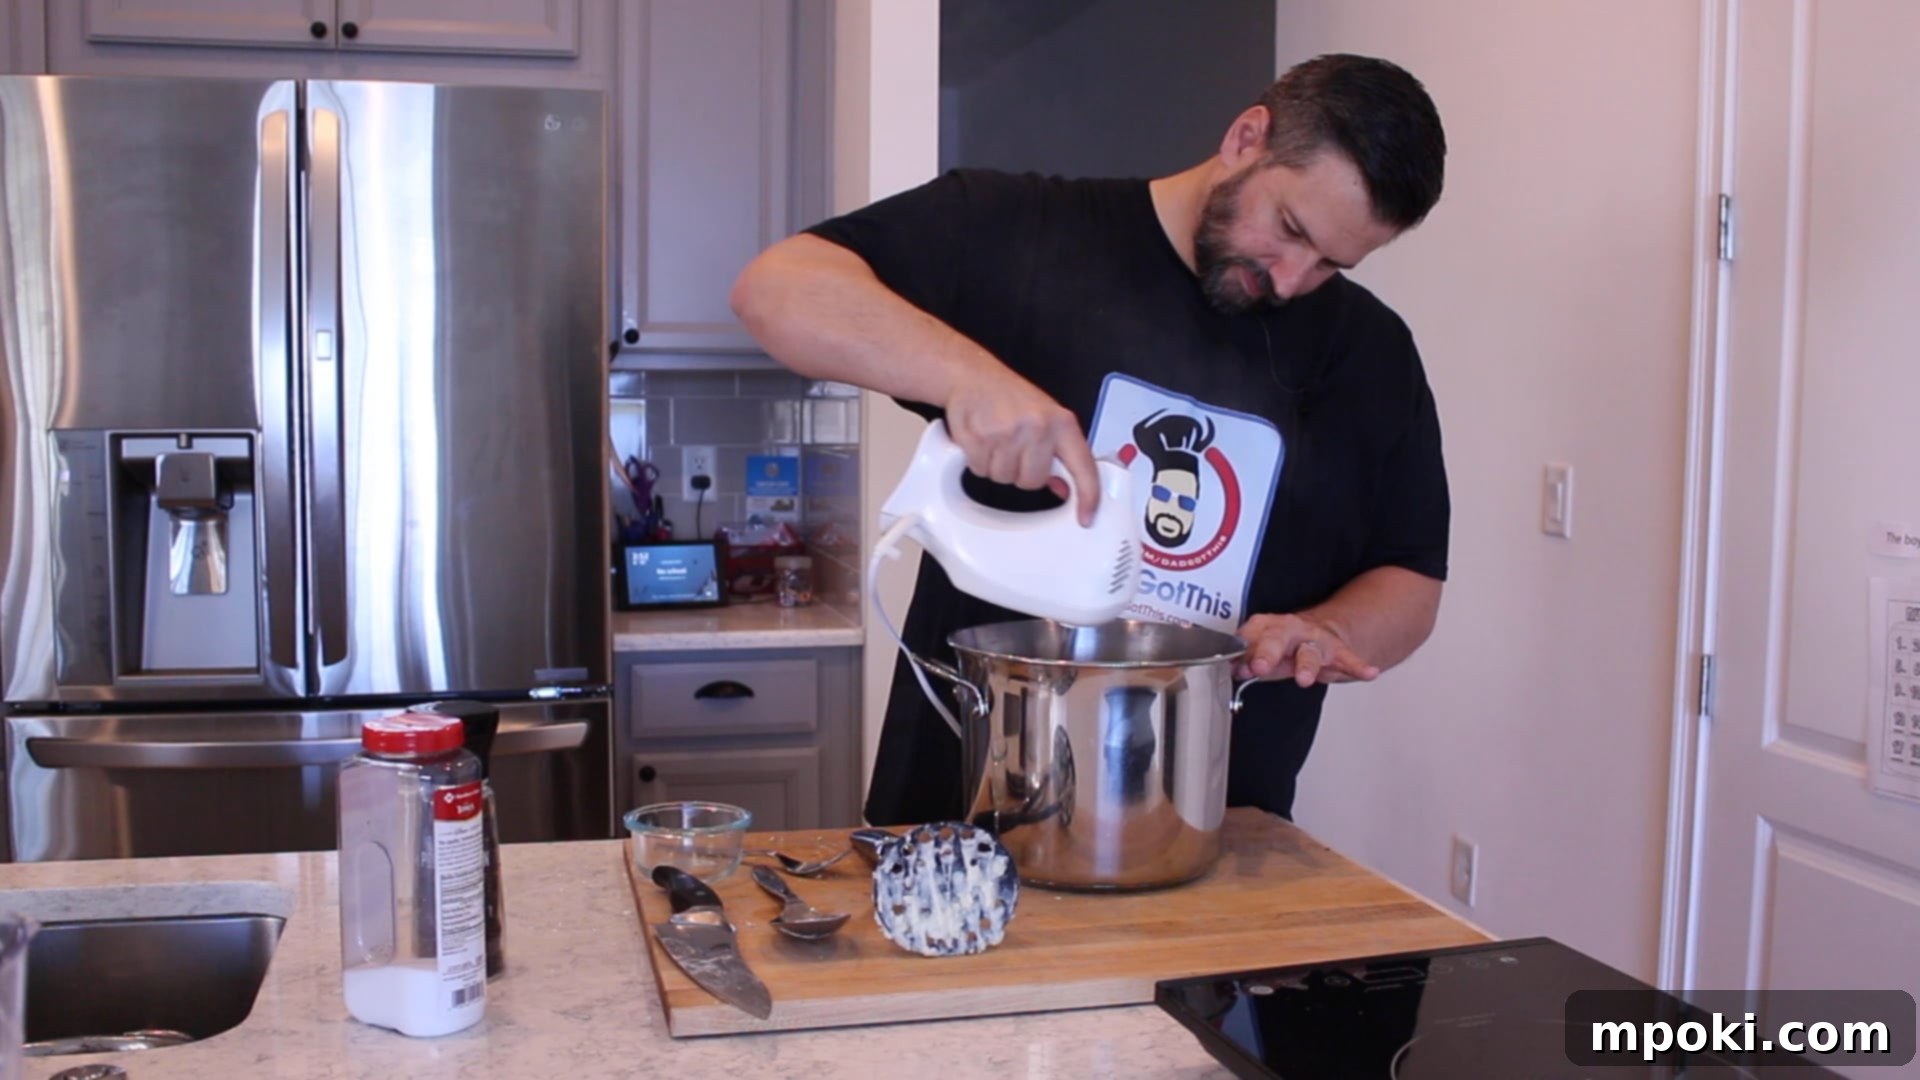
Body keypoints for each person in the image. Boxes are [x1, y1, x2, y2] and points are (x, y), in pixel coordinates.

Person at [731, 53, 1451, 826]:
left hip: (1216, 829)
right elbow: (777, 287)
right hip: (967, 809)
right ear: (1247, 137)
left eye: (1329, 264)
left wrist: (1327, 631)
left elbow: (1410, 575)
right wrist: (968, 378)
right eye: (1288, 229)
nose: (1289, 279)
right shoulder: (1021, 230)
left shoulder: (1372, 354)